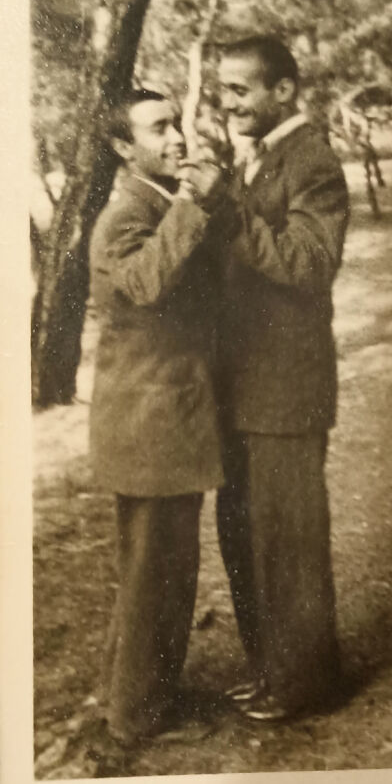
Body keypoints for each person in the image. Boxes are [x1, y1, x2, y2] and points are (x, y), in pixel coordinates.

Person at [211, 36, 350, 721]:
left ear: (285, 90)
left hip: (287, 387)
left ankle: (308, 682)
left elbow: (309, 263)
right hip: (245, 386)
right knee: (246, 531)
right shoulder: (258, 156)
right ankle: (270, 668)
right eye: (223, 89)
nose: (227, 101)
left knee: (287, 538)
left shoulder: (311, 158)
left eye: (240, 88)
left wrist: (226, 212)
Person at [88, 88, 225, 744]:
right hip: (150, 426)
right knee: (155, 573)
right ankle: (137, 718)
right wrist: (195, 201)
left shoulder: (157, 202)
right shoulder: (125, 215)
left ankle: (134, 695)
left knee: (157, 569)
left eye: (178, 123)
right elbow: (146, 282)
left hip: (166, 419)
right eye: (158, 128)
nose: (177, 137)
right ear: (124, 146)